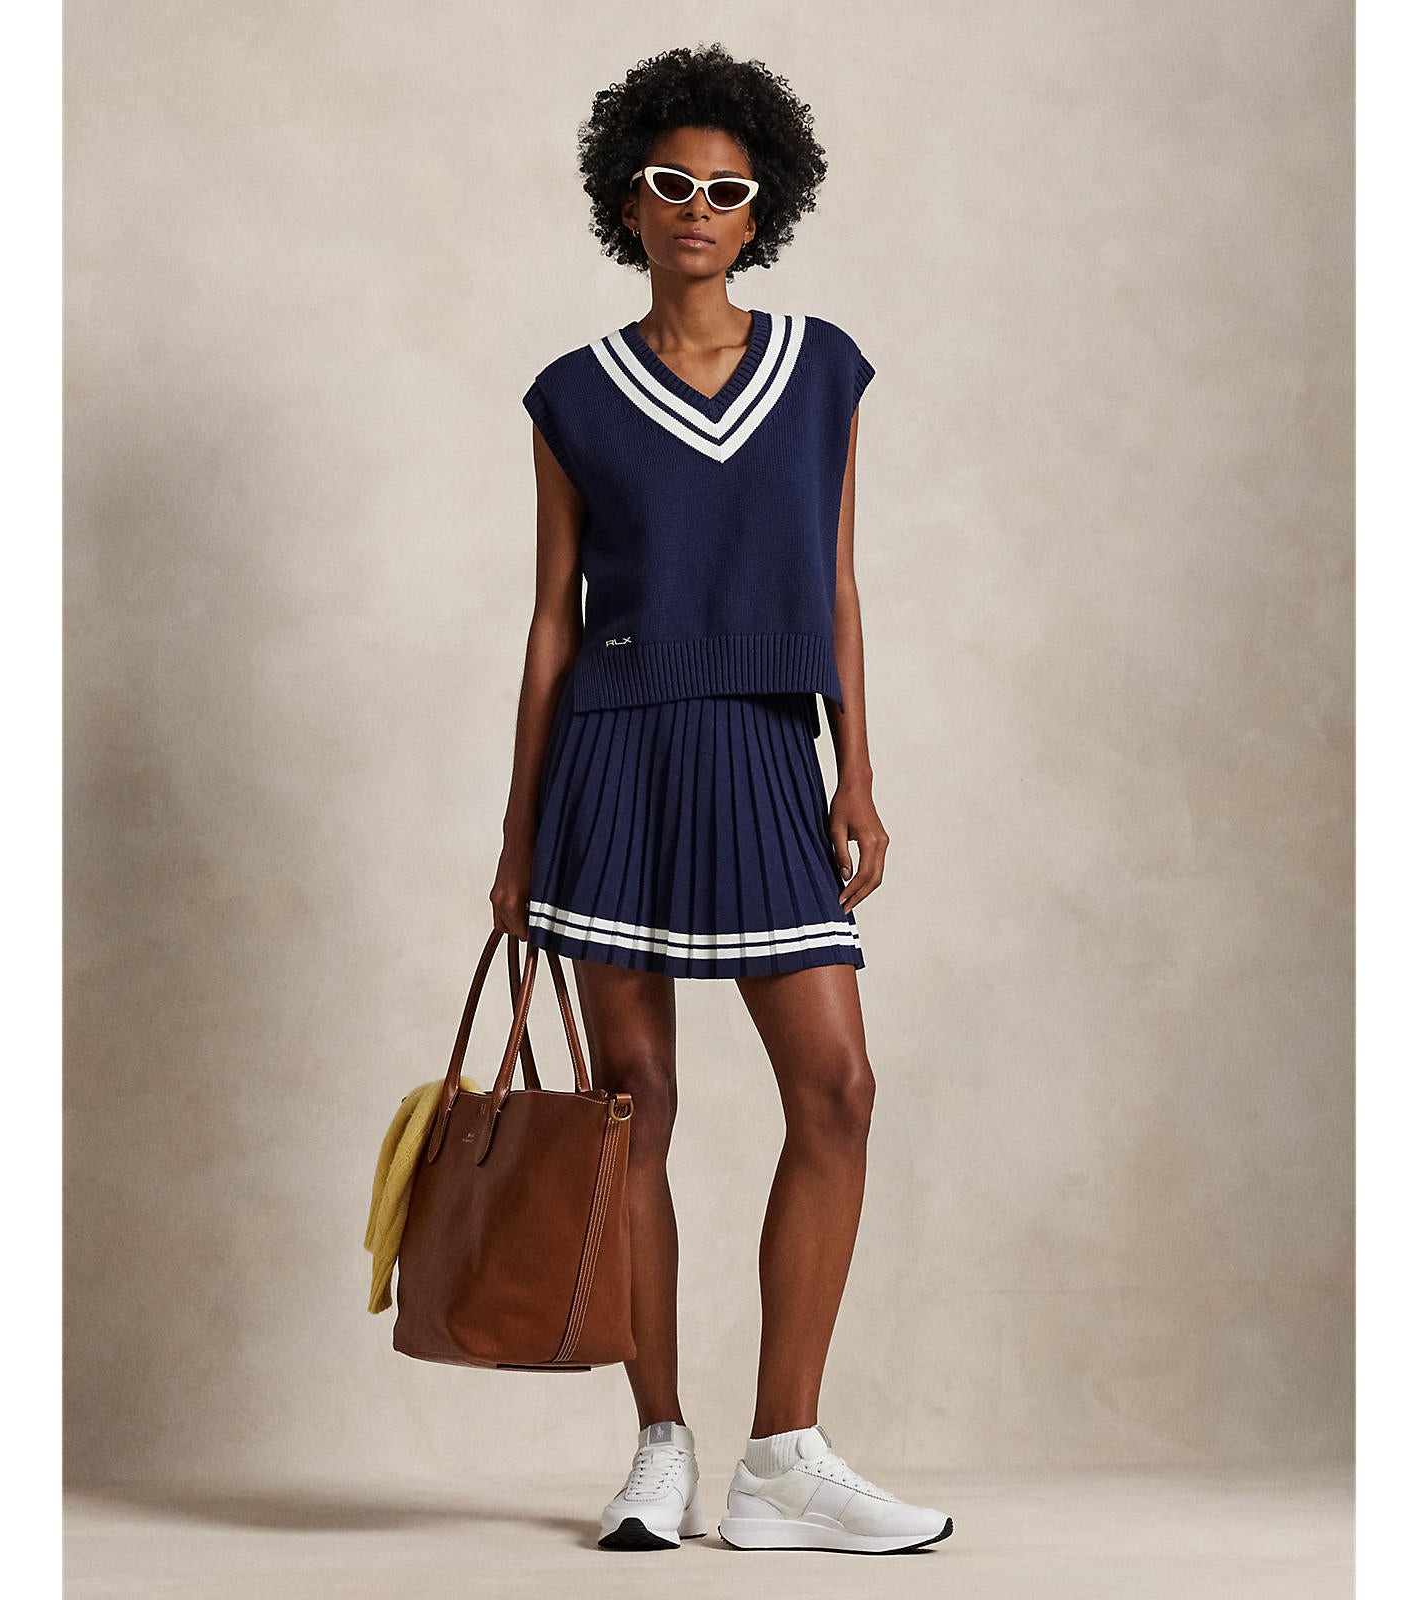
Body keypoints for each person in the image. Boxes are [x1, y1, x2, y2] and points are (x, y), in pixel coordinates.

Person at [490, 43, 953, 1557]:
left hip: (765, 750)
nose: (697, 208)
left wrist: (854, 770)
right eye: (670, 184)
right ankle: (660, 1447)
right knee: (636, 1108)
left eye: (728, 190)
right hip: (614, 760)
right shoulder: (573, 395)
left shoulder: (822, 368)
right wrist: (518, 837)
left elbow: (836, 583)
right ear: (627, 202)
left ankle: (785, 1460)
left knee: (838, 1088)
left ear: (764, 211)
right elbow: (551, 623)